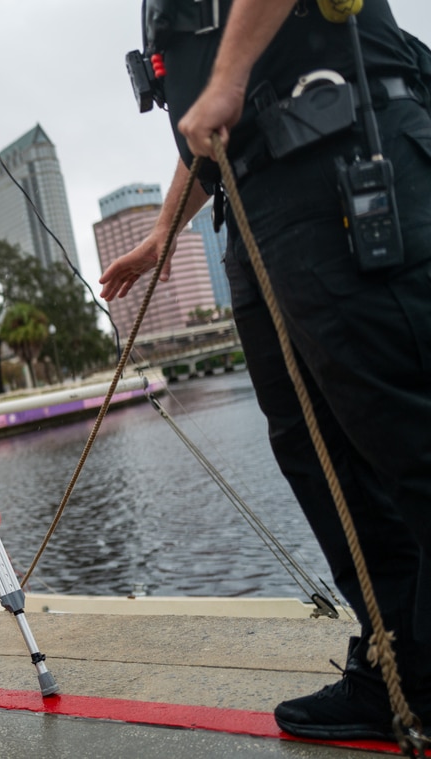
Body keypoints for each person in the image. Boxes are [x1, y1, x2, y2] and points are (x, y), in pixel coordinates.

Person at [101, 0, 431, 741]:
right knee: (318, 453)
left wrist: (228, 78)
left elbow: (228, 88)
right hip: (258, 198)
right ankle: (401, 661)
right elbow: (215, 121)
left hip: (339, 156)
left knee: (406, 436)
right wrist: (161, 233)